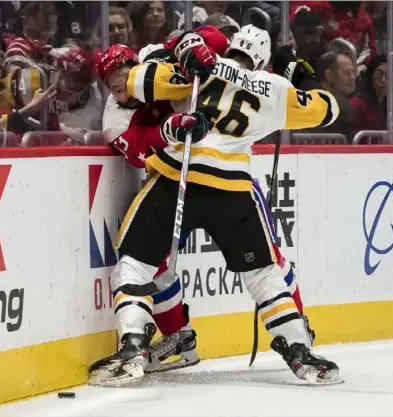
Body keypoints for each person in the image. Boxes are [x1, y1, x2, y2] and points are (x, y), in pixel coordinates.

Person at [88, 25, 342, 387]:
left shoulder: (201, 67)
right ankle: (300, 350)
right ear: (264, 60)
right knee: (264, 274)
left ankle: (133, 345)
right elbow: (327, 110)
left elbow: (137, 80)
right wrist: (300, 84)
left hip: (178, 178)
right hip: (232, 188)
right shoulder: (275, 89)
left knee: (134, 265)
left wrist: (183, 52)